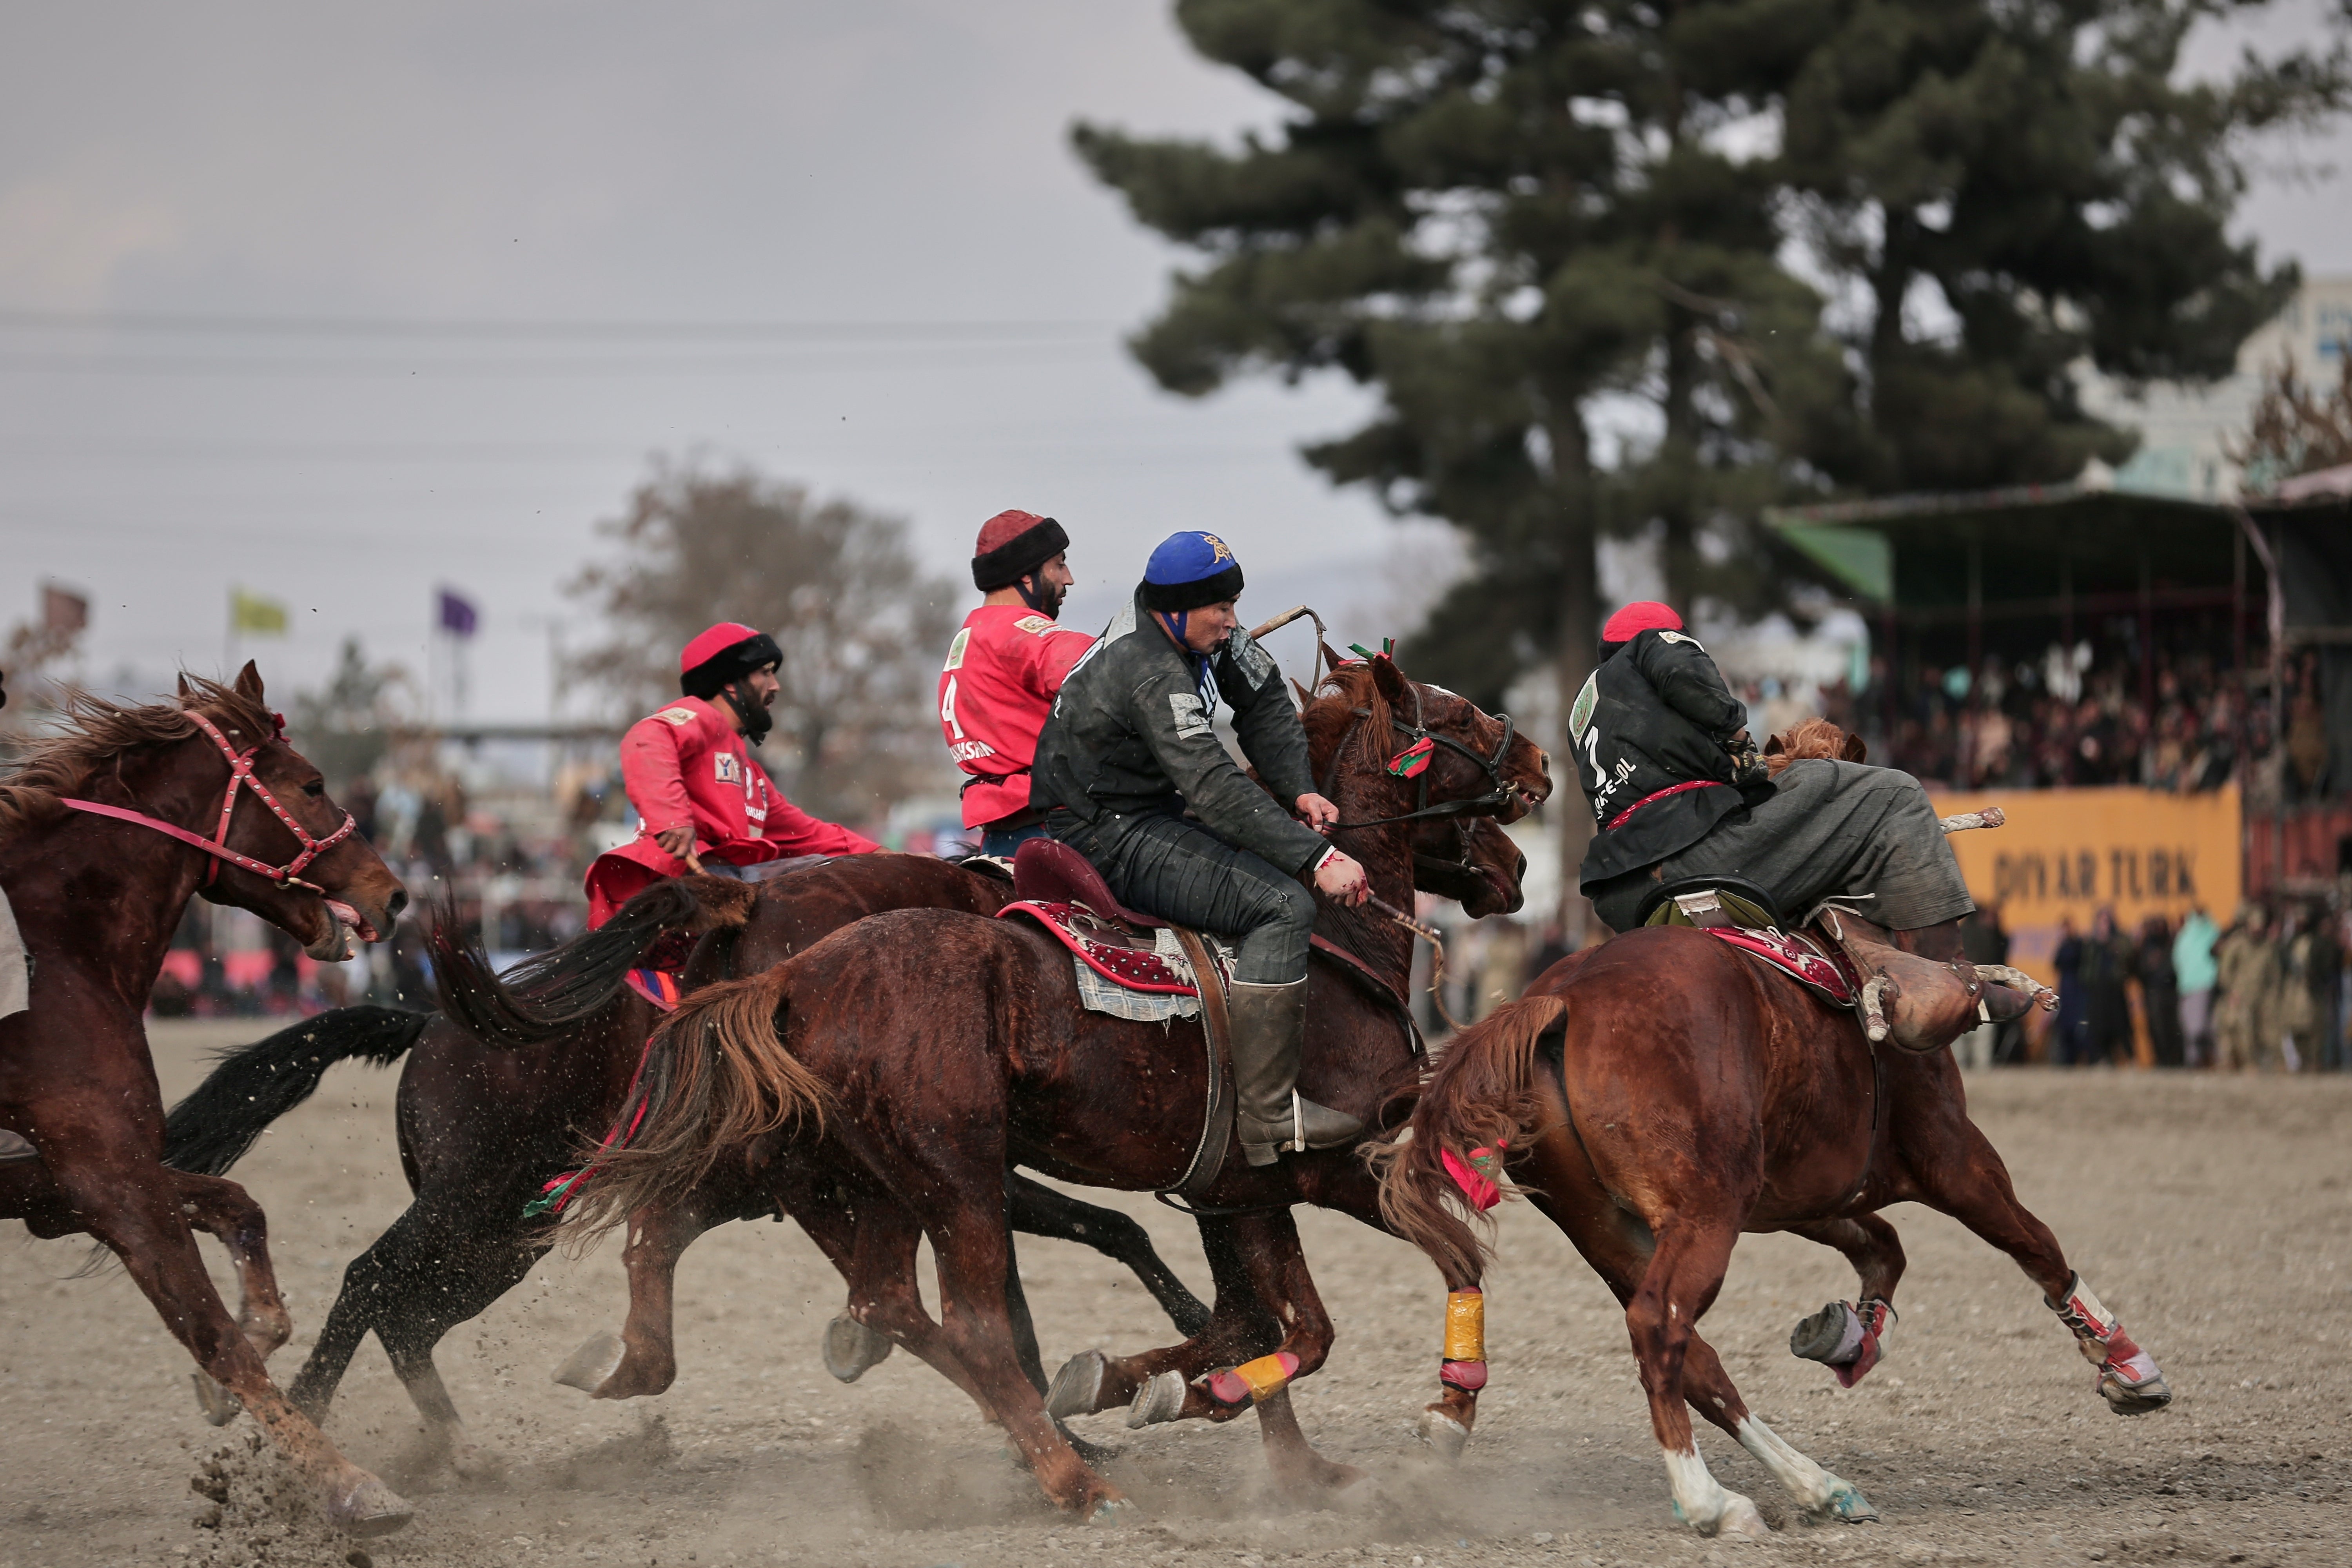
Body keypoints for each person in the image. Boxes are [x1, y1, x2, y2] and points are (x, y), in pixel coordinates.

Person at [1030, 530, 1372, 1165]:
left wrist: (1298, 789)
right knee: (1283, 906)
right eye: (1221, 610)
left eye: (1235, 605)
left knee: (1277, 867)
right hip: (1106, 830)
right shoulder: (1149, 667)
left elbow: (1267, 700)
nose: (1233, 622)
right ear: (1176, 610)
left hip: (1148, 809)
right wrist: (1317, 857)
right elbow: (1214, 787)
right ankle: (1267, 1117)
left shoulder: (1199, 625)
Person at [1571, 601, 2010, 1052]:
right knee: (1892, 791)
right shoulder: (1655, 643)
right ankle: (1953, 975)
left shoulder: (1585, 707)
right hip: (1696, 854)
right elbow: (1683, 673)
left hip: (1623, 893)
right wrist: (1736, 734)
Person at [583, 622, 880, 927]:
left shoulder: (751, 775)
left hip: (718, 890)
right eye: (765, 672)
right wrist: (671, 818)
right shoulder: (703, 718)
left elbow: (812, 836)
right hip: (680, 893)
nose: (775, 686)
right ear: (729, 682)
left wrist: (886, 856)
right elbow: (646, 738)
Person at [939, 510, 1093, 856]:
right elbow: (1118, 667)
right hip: (1056, 833)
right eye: (1059, 564)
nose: (1069, 579)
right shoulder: (1023, 636)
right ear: (1026, 575)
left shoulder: (971, 635)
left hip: (1002, 837)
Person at [2213, 905, 2282, 1072]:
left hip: (2262, 995)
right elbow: (2225, 971)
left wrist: (2273, 995)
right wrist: (2231, 991)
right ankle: (2242, 1063)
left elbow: (2274, 974)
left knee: (2266, 1032)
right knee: (2239, 1031)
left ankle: (2270, 1063)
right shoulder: (2237, 944)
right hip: (2240, 994)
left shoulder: (2268, 947)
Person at [2173, 903, 2220, 1067]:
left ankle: (2211, 1058)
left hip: (2204, 984)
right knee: (2189, 1027)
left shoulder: (2212, 933)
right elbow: (2179, 960)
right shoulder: (2185, 935)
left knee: (2199, 1027)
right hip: (2186, 986)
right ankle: (2194, 1060)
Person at [2136, 914, 2183, 1067]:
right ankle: (2162, 1059)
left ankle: (2175, 1059)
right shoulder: (2146, 946)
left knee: (2173, 1027)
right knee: (2157, 1029)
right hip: (2154, 992)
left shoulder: (2171, 944)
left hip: (2170, 991)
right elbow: (2140, 969)